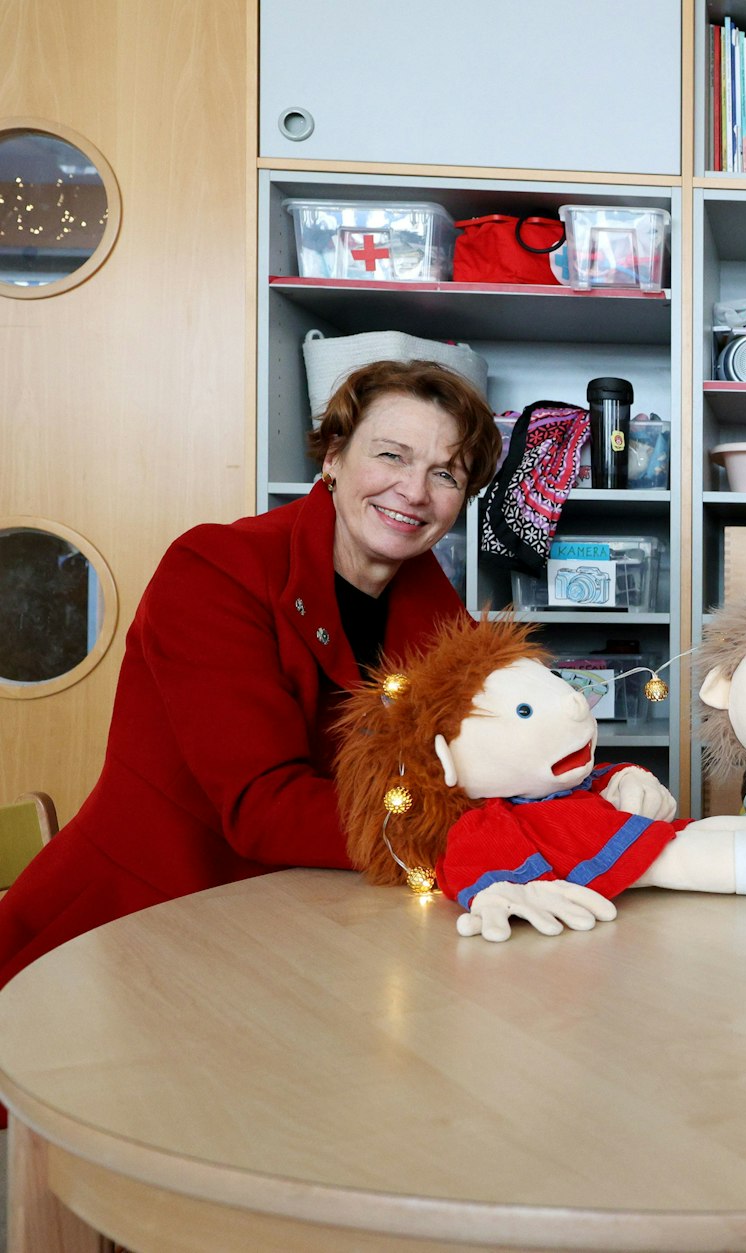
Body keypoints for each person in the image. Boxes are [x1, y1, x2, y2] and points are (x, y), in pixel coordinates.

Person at [0, 359, 504, 993]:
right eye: (392, 456)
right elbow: (265, 809)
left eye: (445, 473)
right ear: (334, 457)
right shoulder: (214, 569)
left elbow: (495, 753)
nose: (413, 490)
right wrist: (491, 835)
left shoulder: (438, 613)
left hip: (304, 925)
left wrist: (592, 796)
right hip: (138, 926)